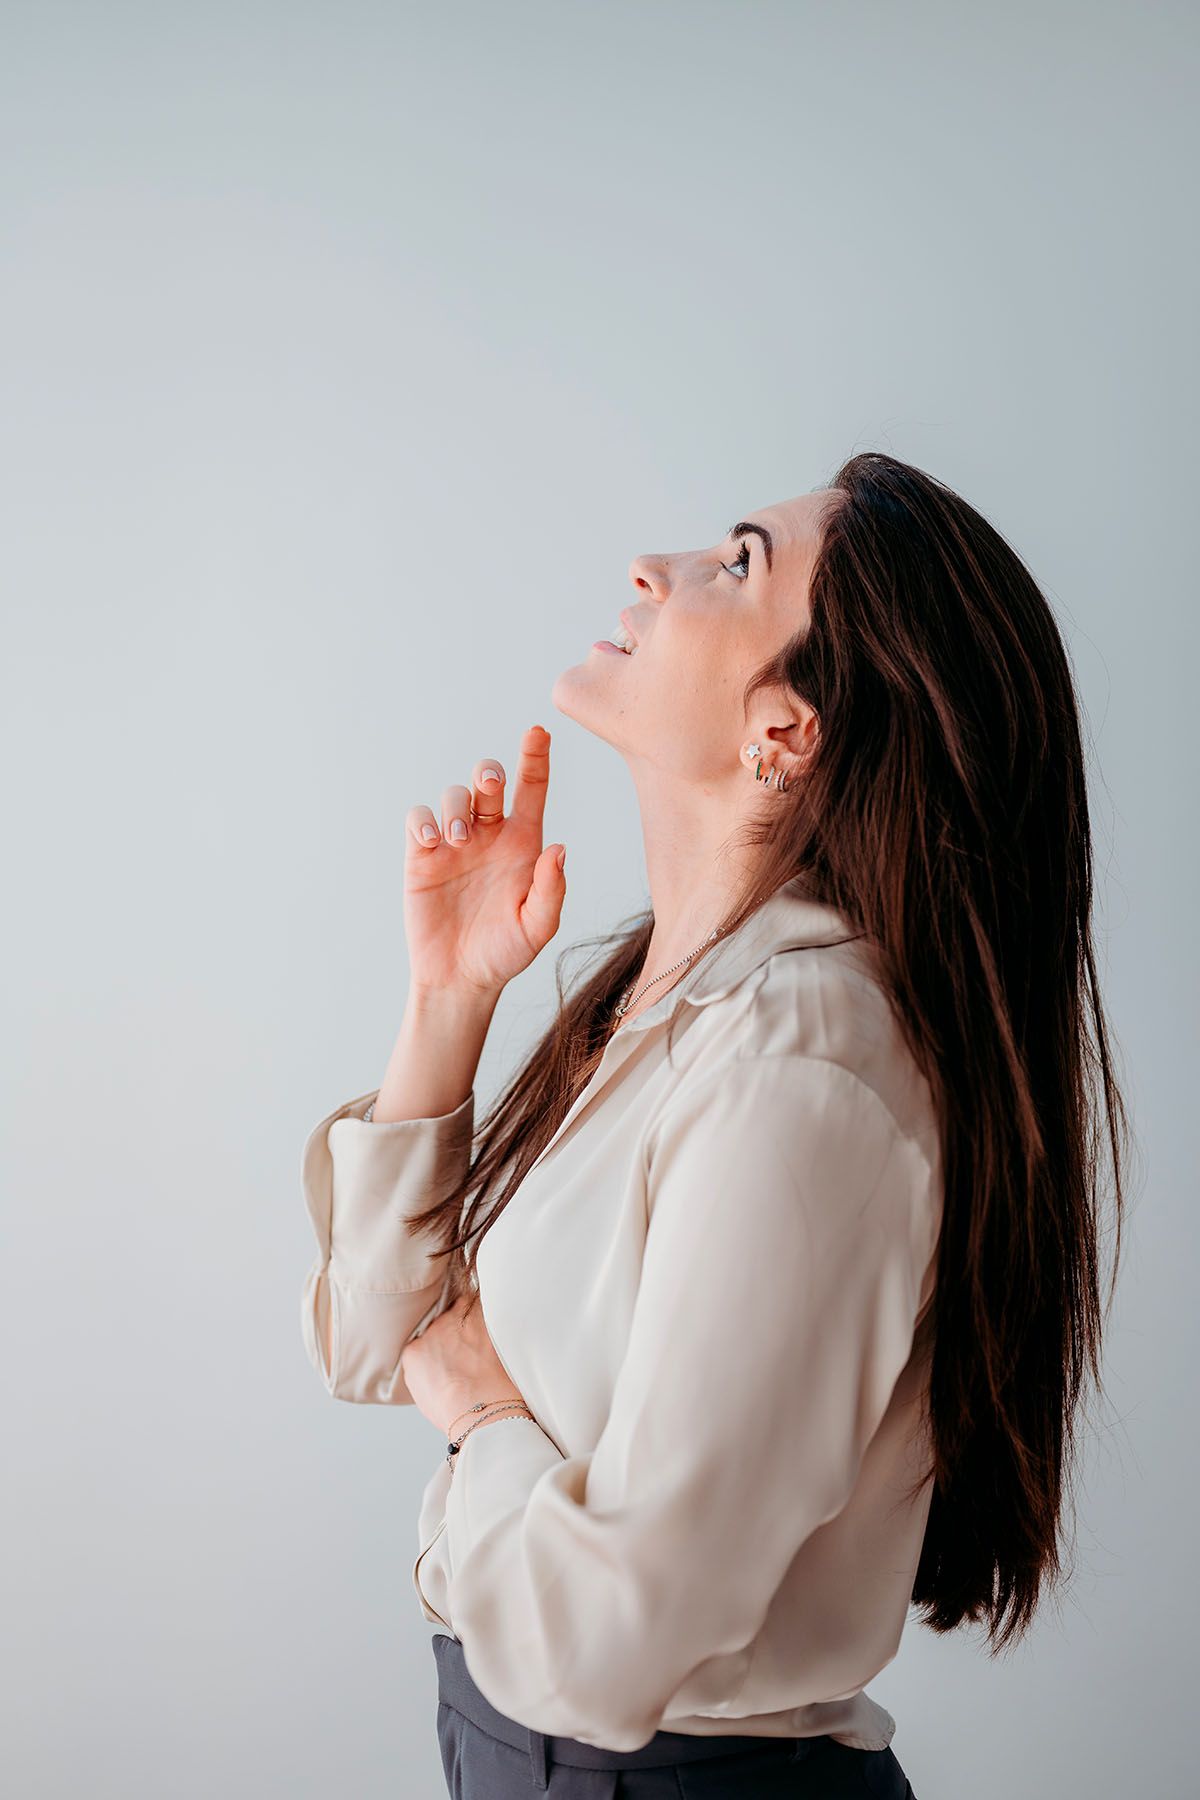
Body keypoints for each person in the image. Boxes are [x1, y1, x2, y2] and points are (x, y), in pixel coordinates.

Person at [299, 451, 1129, 1798]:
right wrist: (448, 1006)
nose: (654, 567)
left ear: (787, 730)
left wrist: (490, 1421)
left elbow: (600, 1636)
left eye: (738, 562)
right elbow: (375, 1341)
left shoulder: (806, 1068)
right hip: (538, 1757)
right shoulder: (672, 1004)